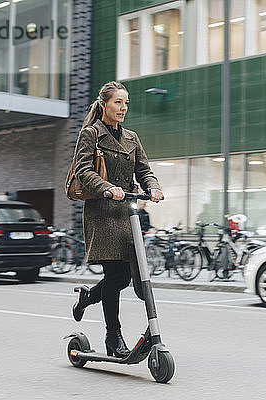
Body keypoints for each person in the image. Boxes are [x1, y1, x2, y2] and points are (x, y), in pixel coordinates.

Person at [71, 81, 164, 358]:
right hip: (102, 212)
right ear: (104, 105)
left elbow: (144, 170)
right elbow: (83, 170)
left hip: (127, 213)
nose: (123, 108)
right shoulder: (91, 134)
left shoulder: (132, 138)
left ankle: (88, 297)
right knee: (115, 275)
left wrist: (154, 187)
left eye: (126, 103)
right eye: (117, 102)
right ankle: (114, 338)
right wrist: (107, 188)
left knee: (125, 277)